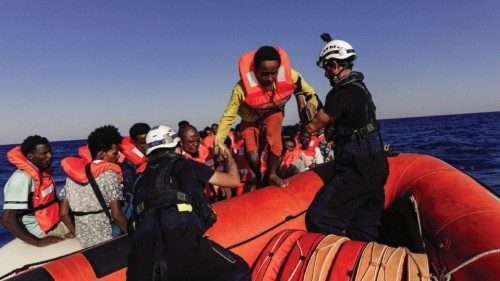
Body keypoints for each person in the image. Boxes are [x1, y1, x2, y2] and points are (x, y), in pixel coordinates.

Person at [127, 125, 250, 281]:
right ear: (177, 147)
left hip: (141, 256)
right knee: (240, 271)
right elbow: (234, 180)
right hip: (181, 239)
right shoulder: (187, 165)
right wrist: (229, 156)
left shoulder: (138, 180)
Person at [304, 33, 389, 242]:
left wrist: (307, 105)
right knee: (364, 229)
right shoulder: (360, 89)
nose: (325, 74)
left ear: (334, 65)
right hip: (377, 167)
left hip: (356, 171)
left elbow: (313, 126)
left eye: (326, 68)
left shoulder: (340, 94)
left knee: (319, 218)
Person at [215, 46, 319, 187]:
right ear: (256, 71)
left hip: (272, 112)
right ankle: (258, 176)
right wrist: (218, 143)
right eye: (264, 74)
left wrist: (311, 104)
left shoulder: (292, 75)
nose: (269, 78)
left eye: (273, 73)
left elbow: (311, 93)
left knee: (275, 139)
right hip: (250, 118)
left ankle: (272, 174)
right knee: (253, 158)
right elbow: (228, 117)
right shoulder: (240, 89)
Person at [58, 125, 128, 248]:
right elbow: (116, 215)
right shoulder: (110, 174)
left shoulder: (72, 176)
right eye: (115, 153)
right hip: (108, 237)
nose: (118, 157)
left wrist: (78, 235)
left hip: (84, 240)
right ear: (102, 154)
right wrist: (132, 236)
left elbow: (63, 213)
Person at [1, 136, 70, 247]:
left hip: (54, 222)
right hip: (41, 232)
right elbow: (6, 219)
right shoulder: (22, 179)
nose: (50, 156)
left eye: (50, 152)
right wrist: (38, 242)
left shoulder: (43, 174)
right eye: (44, 154)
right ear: (30, 157)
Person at [120, 122, 151, 204]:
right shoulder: (127, 164)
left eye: (148, 142)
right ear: (133, 143)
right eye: (142, 143)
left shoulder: (151, 157)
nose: (146, 146)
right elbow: (131, 190)